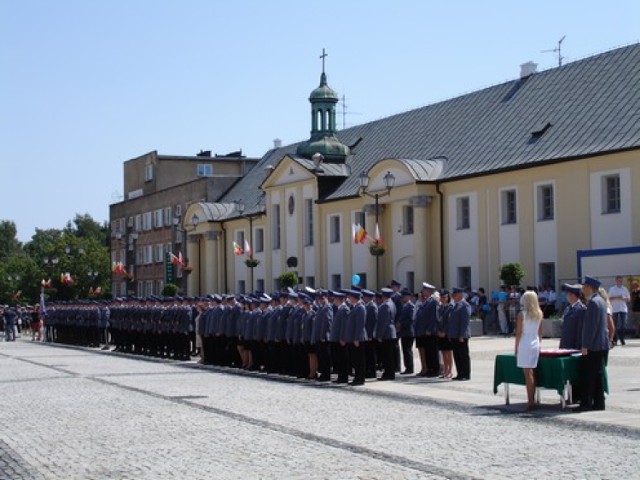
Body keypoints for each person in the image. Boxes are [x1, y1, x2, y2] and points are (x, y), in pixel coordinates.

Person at [577, 276, 609, 412]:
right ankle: (599, 403)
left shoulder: (594, 303)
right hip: (600, 344)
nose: (583, 290)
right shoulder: (600, 301)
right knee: (598, 374)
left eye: (584, 288)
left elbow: (591, 327)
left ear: (590, 288)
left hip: (593, 345)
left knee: (589, 375)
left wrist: (585, 345)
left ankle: (586, 403)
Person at [515, 290, 543, 410]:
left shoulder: (522, 314)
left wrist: (516, 346)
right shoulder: (539, 313)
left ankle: (530, 401)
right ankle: (532, 398)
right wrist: (539, 342)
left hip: (525, 342)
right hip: (535, 342)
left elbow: (519, 332)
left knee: (527, 373)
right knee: (531, 372)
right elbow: (540, 332)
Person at [448, 287, 471, 381]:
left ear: (461, 295)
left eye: (455, 295)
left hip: (461, 335)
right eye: (453, 295)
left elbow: (464, 322)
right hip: (454, 335)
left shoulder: (464, 305)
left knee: (463, 355)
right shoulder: (455, 305)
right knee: (456, 355)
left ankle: (466, 374)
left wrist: (462, 335)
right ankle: (460, 373)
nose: (453, 297)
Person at [558, 284, 586, 350]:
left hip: (573, 345)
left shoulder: (581, 309)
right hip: (565, 344)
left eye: (568, 294)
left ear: (572, 295)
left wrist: (578, 347)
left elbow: (580, 331)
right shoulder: (568, 308)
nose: (566, 296)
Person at [397, 288, 415, 374]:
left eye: (404, 296)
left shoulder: (411, 306)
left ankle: (410, 368)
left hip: (408, 332)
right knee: (404, 350)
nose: (402, 298)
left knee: (408, 350)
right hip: (404, 332)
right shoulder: (404, 306)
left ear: (408, 297)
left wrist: (401, 324)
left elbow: (411, 319)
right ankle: (407, 367)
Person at [608, 276, 630, 346]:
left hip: (623, 308)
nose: (620, 282)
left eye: (621, 281)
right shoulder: (612, 289)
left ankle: (622, 338)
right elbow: (609, 298)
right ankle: (615, 340)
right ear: (616, 281)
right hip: (615, 309)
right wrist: (617, 297)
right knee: (614, 325)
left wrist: (624, 298)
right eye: (618, 281)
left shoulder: (624, 289)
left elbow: (629, 299)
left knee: (623, 325)